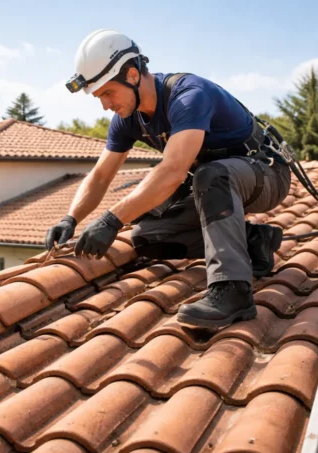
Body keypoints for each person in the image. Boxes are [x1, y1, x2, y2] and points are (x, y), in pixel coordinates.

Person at [45, 29, 293, 329]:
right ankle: (255, 241)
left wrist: (111, 220)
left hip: (266, 175)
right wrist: (70, 219)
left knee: (208, 174)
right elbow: (100, 176)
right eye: (99, 97)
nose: (105, 105)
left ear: (133, 75)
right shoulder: (126, 119)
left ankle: (232, 291)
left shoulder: (189, 95)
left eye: (108, 93)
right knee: (148, 236)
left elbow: (173, 171)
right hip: (218, 184)